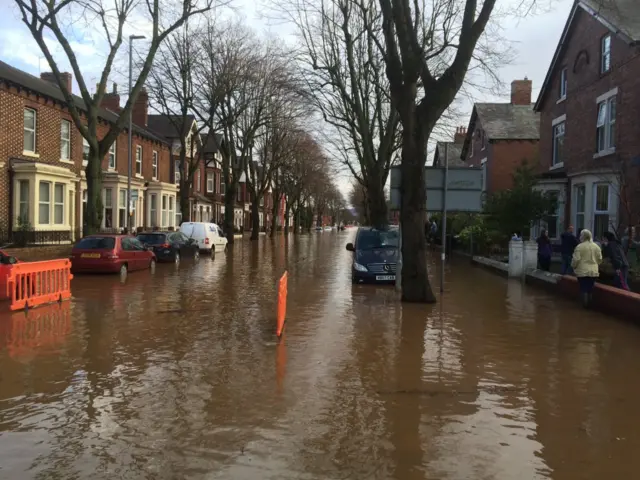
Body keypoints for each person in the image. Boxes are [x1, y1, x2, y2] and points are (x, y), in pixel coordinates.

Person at [571, 229, 602, 308]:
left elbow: (576, 259)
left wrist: (573, 267)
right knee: (590, 288)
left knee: (583, 288)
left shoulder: (579, 247)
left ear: (583, 236)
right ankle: (590, 306)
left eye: (581, 235)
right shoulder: (596, 247)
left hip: (582, 272)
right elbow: (600, 259)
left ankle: (584, 306)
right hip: (594, 271)